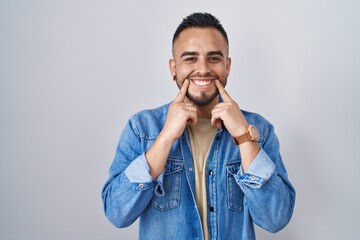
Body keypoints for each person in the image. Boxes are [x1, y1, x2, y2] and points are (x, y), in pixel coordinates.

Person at [102, 12, 295, 240]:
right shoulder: (141, 129)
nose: (203, 69)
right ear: (173, 67)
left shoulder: (258, 130)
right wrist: (165, 138)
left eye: (213, 58)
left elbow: (275, 219)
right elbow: (117, 214)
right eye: (190, 58)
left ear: (227, 66)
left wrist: (244, 137)